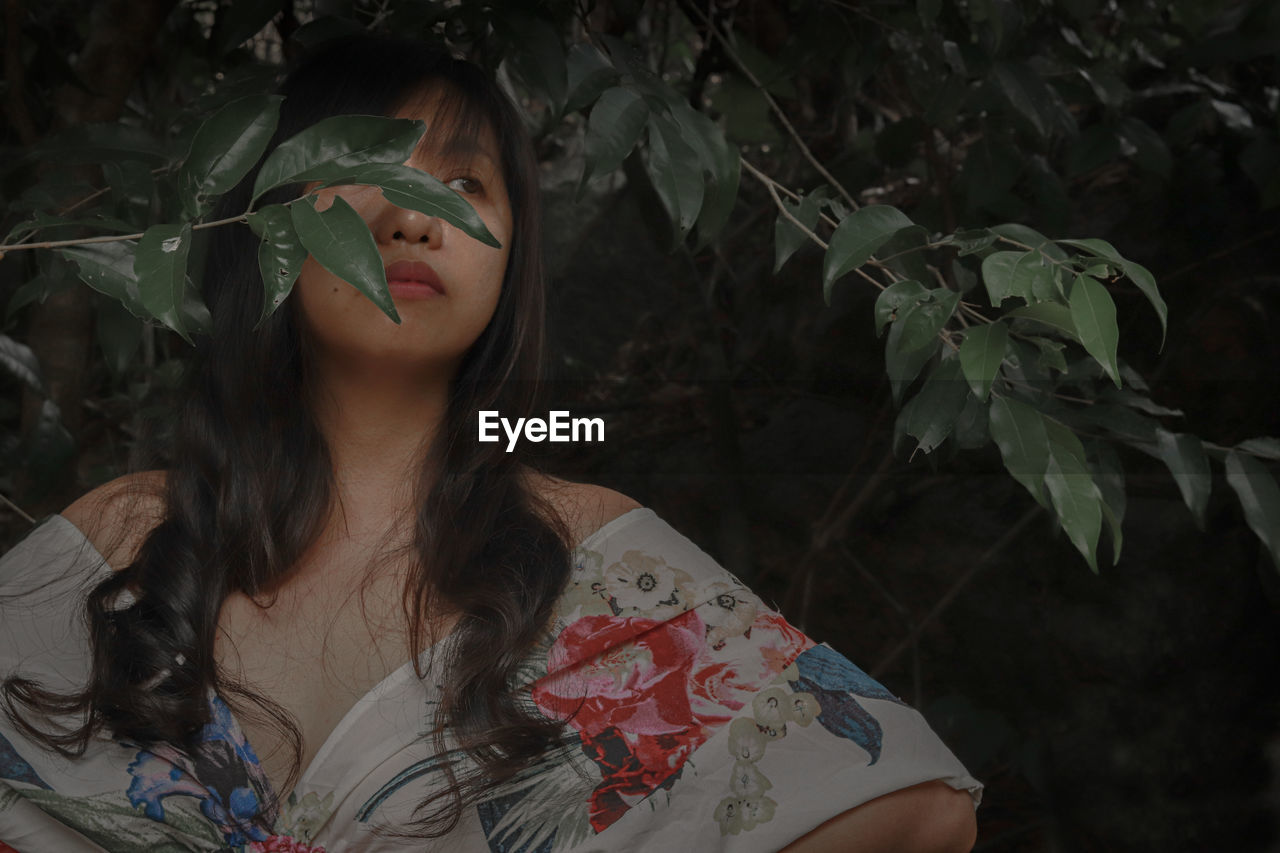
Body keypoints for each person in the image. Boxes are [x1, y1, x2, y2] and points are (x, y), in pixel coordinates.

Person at [0, 34, 981, 852]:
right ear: (253, 221)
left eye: (463, 182)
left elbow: (913, 813)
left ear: (511, 263)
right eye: (362, 167)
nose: (416, 217)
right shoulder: (128, 533)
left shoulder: (585, 551)